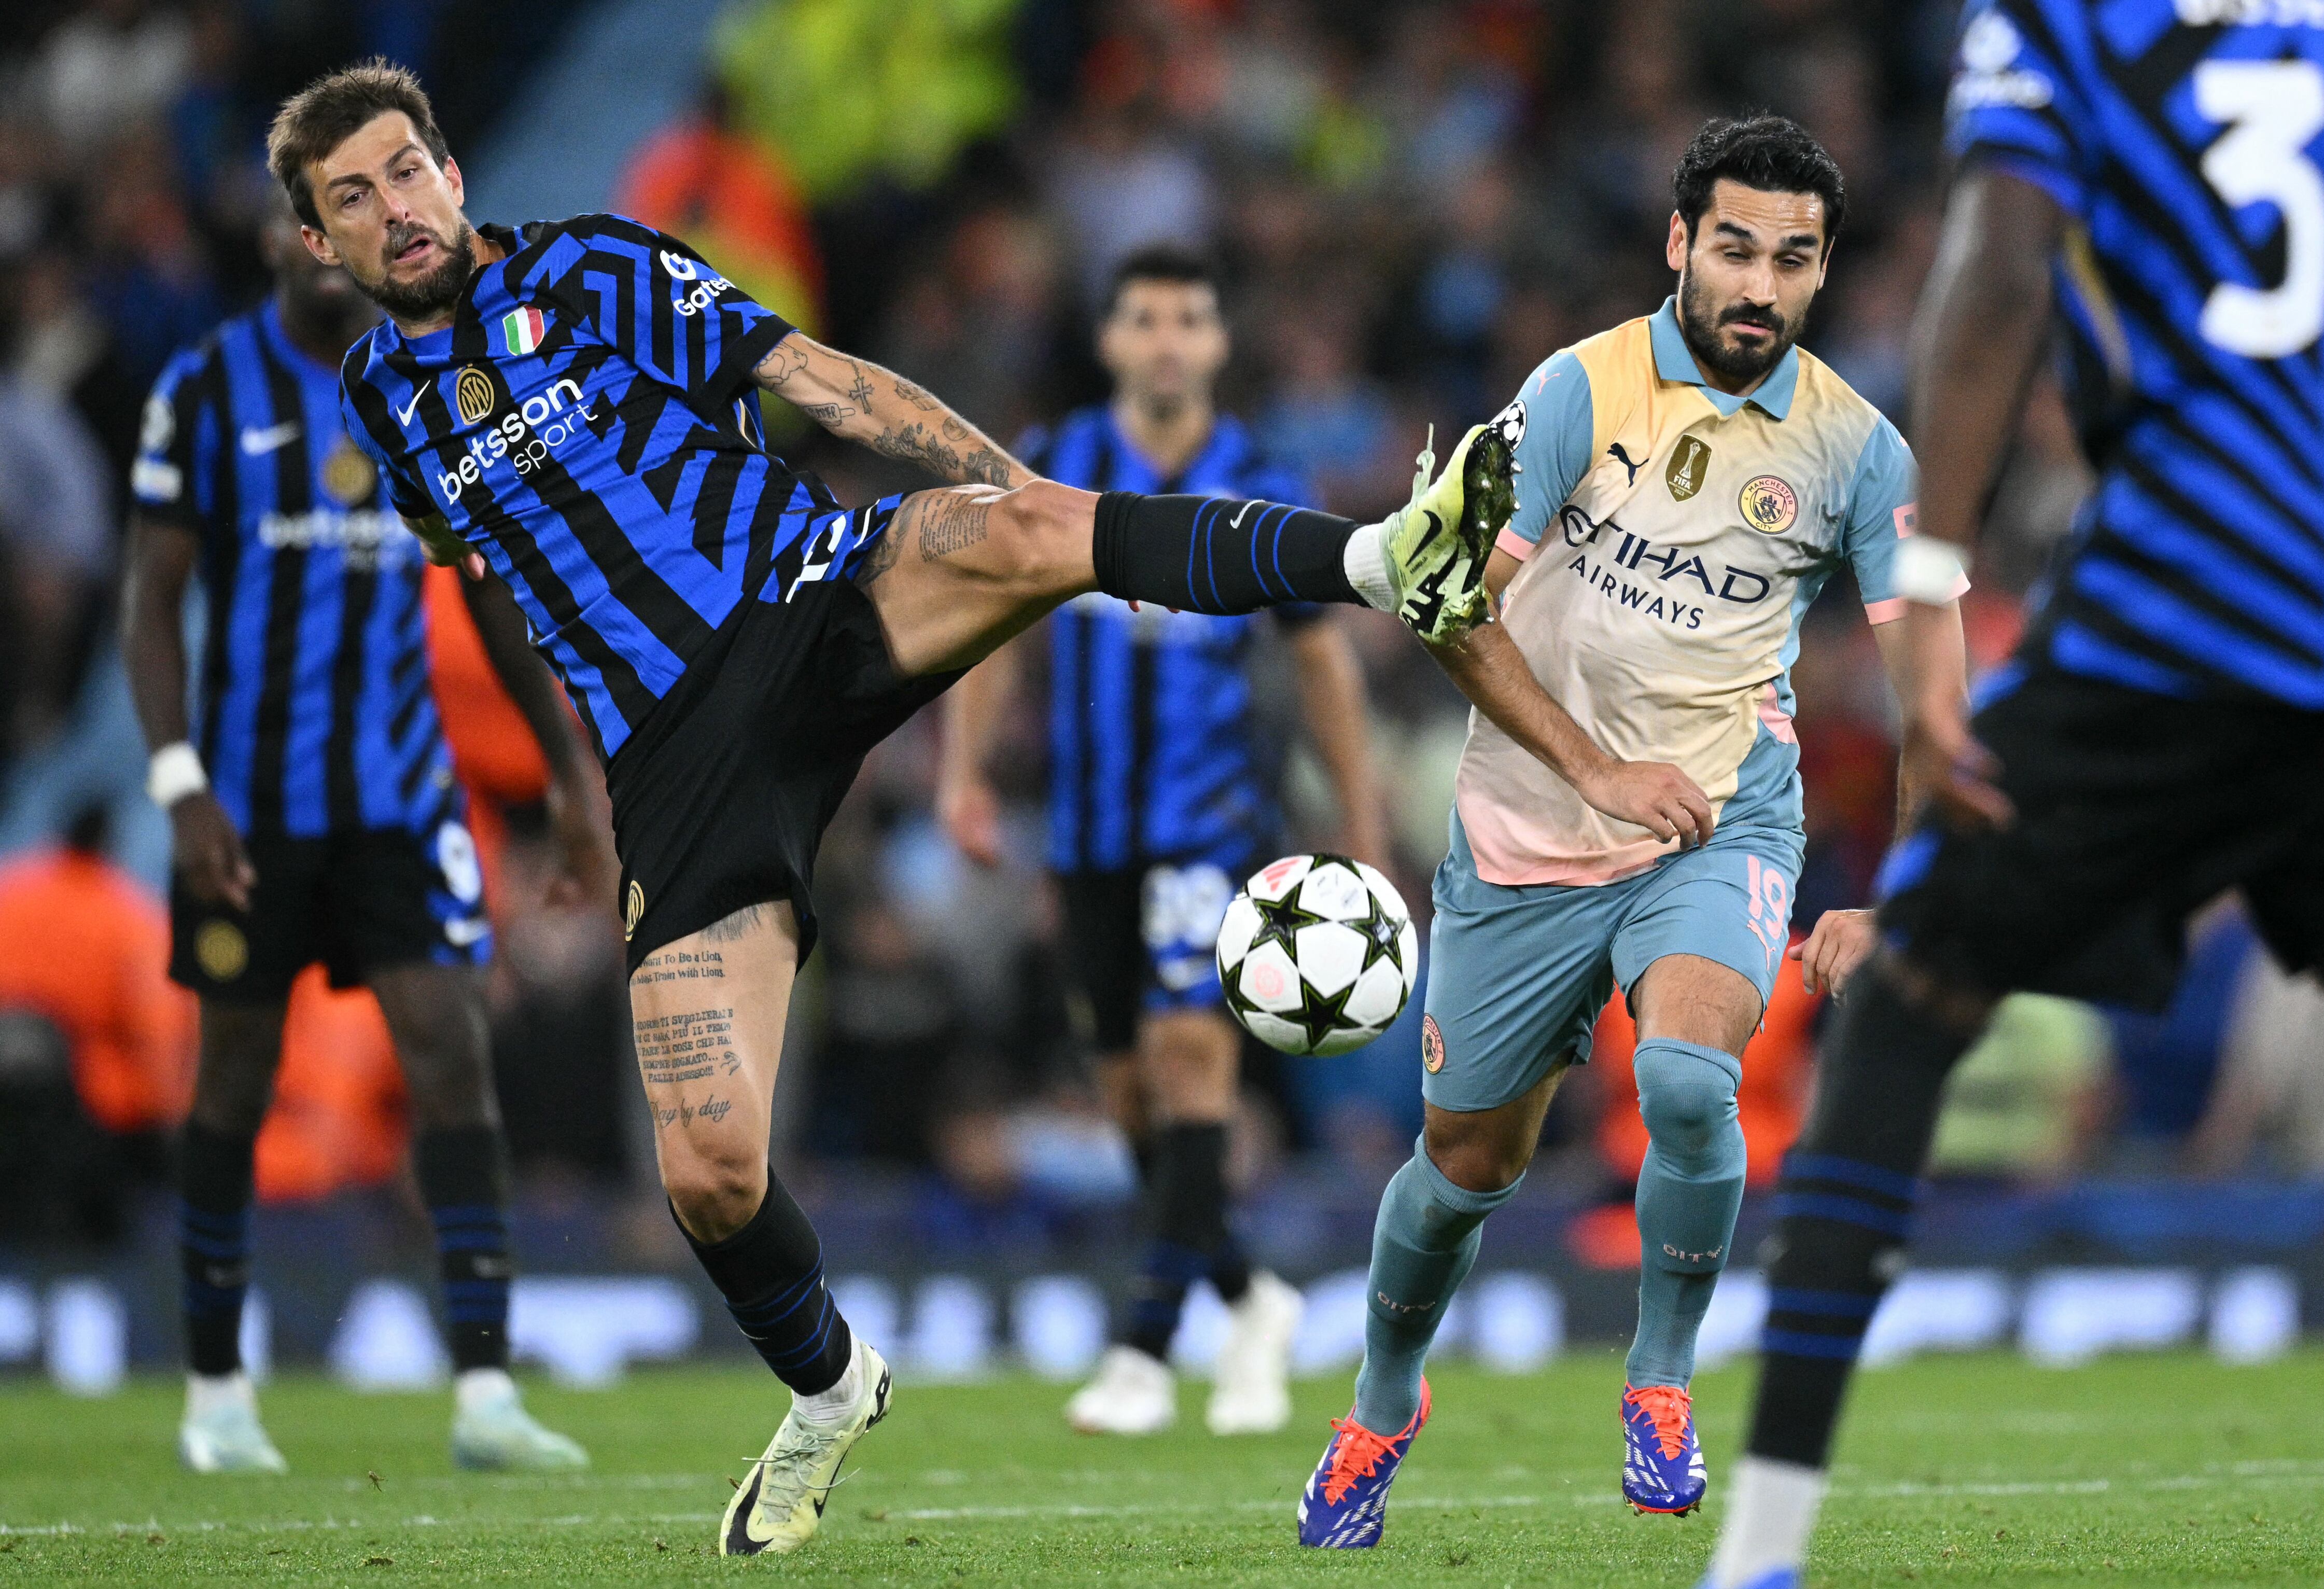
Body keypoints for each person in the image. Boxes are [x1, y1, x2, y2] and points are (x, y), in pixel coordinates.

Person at [267, 59, 1516, 1556]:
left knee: (1045, 520)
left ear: (453, 174)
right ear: (315, 244)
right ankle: (829, 1386)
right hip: (671, 757)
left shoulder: (589, 264)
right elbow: (483, 581)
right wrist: (563, 792)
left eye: (407, 171)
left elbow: (815, 379)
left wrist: (1015, 506)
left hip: (808, 591)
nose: (392, 209)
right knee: (711, 1174)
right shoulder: (379, 409)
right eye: (353, 197)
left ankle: (1380, 556)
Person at [1699, 7, 2324, 1586]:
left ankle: (1759, 1555)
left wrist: (1926, 594)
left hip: (2189, 608)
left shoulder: (2073, 18)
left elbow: (1999, 270)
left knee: (1909, 986)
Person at [1292, 116, 1973, 1550]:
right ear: (1678, 244)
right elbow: (1449, 614)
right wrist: (1596, 771)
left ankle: (1657, 1381)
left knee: (1683, 1081)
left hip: (1718, 820)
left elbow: (1932, 686)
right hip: (1528, 830)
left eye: (1792, 259)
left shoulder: (1858, 447)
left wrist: (1896, 891)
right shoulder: (1570, 394)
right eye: (1733, 247)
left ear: (1821, 271)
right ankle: (1381, 1398)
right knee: (1462, 1168)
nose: (1759, 284)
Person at [121, 200, 608, 1475]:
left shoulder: (440, 381)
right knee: (230, 1079)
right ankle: (220, 1394)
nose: (326, 238)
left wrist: (567, 774)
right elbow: (150, 605)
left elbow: (490, 597)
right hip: (248, 813)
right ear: (279, 241)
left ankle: (487, 1392)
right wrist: (179, 788)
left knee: (453, 1055)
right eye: (305, 215)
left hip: (400, 800)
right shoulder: (205, 389)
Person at [938, 246, 1387, 1438]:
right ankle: (1250, 1297)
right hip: (1089, 833)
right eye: (1147, 318)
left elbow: (1320, 654)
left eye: (1192, 316)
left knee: (1194, 1060)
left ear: (1219, 343)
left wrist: (1361, 820)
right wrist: (964, 773)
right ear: (1114, 341)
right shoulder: (1061, 469)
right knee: (1131, 1095)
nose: (1171, 338)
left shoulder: (1260, 479)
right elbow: (992, 627)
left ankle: (1142, 1349)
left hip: (1211, 826)